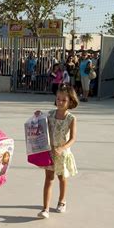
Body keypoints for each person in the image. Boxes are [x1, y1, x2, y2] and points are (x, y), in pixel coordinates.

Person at [35, 84, 78, 219]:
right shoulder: (50, 115)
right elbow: (42, 125)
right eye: (58, 99)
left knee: (62, 178)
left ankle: (62, 201)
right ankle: (45, 209)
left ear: (70, 101)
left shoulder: (71, 118)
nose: (60, 102)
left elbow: (73, 138)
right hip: (50, 152)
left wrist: (62, 148)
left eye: (63, 100)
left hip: (62, 153)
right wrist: (38, 116)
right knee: (48, 179)